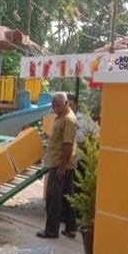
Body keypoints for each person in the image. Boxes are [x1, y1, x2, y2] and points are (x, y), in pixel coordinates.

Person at [37, 92, 78, 239]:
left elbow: (68, 145)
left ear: (66, 103)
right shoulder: (63, 117)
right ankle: (71, 229)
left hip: (60, 164)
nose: (55, 108)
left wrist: (61, 168)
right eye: (53, 105)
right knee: (68, 199)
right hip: (62, 163)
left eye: (58, 105)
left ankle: (51, 230)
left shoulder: (68, 119)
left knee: (53, 199)